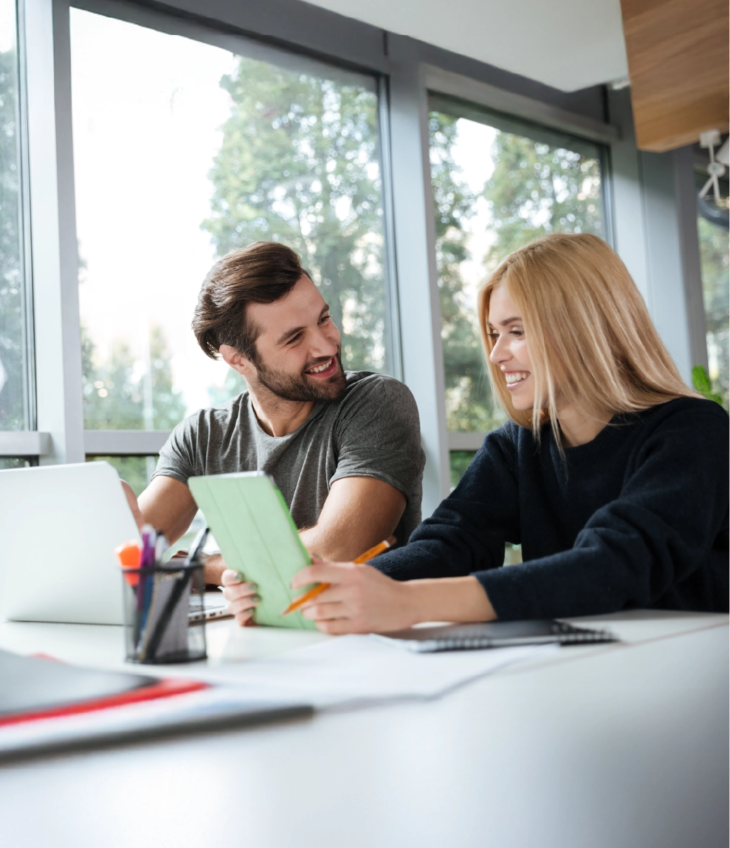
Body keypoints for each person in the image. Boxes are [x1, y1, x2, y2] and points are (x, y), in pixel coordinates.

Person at [245, 232, 730, 633]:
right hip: (589, 664)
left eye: (517, 332)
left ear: (584, 330)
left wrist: (411, 603)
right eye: (495, 335)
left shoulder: (693, 431)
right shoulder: (517, 446)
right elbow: (450, 541)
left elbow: (613, 564)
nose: (497, 356)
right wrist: (328, 588)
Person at [124, 241, 425, 588]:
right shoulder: (203, 436)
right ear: (239, 359)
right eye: (295, 338)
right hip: (251, 634)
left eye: (324, 319)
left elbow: (338, 549)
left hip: (365, 634)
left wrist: (206, 569)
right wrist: (112, 520)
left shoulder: (376, 403)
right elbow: (132, 554)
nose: (327, 346)